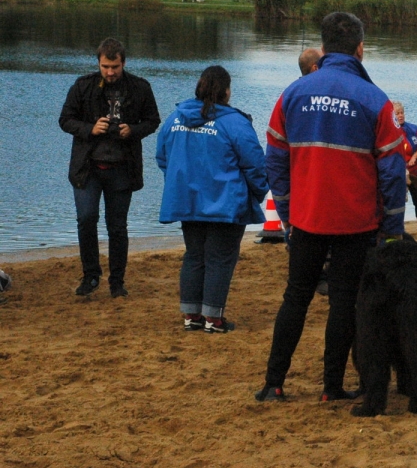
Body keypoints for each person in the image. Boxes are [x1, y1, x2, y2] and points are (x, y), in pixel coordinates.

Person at [256, 12, 409, 403]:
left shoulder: (293, 93)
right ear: (360, 49)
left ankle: (274, 383)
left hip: (306, 217)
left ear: (322, 49)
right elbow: (392, 171)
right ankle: (331, 387)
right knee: (344, 302)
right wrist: (392, 226)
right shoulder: (375, 99)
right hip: (355, 222)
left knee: (296, 297)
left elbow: (275, 159)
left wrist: (288, 212)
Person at [156, 66, 267, 334]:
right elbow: (254, 164)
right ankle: (213, 319)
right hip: (225, 204)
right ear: (227, 92)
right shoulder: (235, 123)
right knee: (219, 259)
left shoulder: (174, 119)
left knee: (194, 256)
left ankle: (191, 315)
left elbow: (163, 158)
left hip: (188, 202)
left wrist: (183, 184)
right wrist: (259, 191)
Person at [58, 37, 160, 298]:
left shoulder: (140, 87)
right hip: (87, 168)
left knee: (117, 226)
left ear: (123, 63)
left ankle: (117, 281)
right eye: (105, 66)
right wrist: (89, 129)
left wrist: (133, 130)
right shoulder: (83, 86)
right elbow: (65, 120)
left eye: (115, 66)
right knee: (86, 219)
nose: (110, 72)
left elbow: (153, 120)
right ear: (98, 63)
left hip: (122, 168)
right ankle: (91, 276)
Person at [393, 101, 417, 221]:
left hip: (414, 171)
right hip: (398, 172)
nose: (400, 115)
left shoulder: (413, 129)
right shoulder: (390, 132)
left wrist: (415, 155)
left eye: (402, 113)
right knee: (397, 200)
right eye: (397, 113)